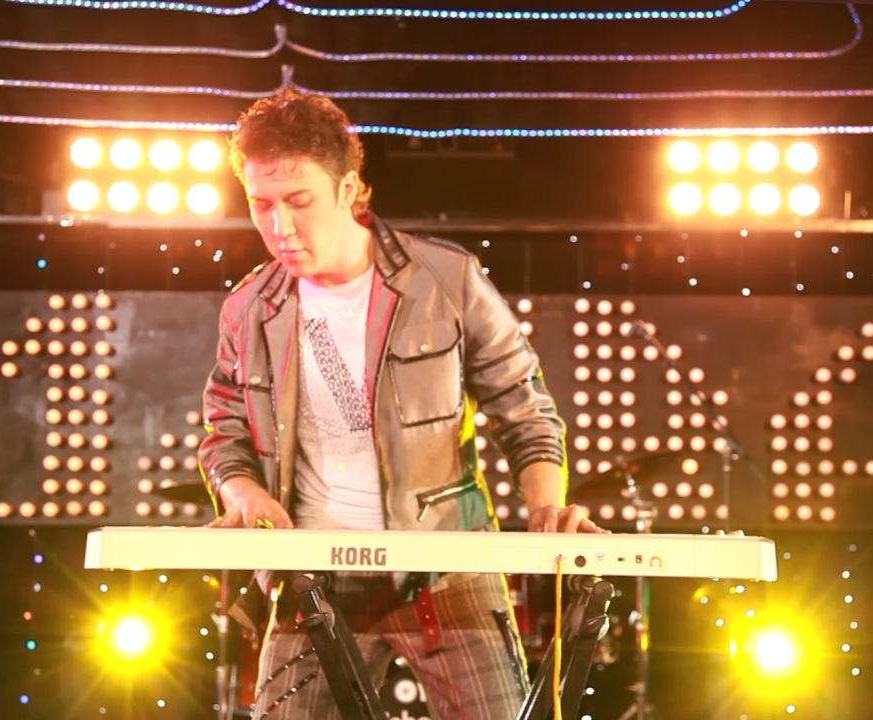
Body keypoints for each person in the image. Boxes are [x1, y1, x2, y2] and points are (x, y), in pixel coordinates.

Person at [197, 88, 605, 720]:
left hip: (446, 566)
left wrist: (548, 507)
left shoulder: (445, 278)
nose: (280, 227)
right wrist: (243, 493)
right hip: (315, 573)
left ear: (348, 188)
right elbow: (224, 429)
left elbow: (524, 409)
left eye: (299, 201)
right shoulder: (248, 309)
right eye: (262, 204)